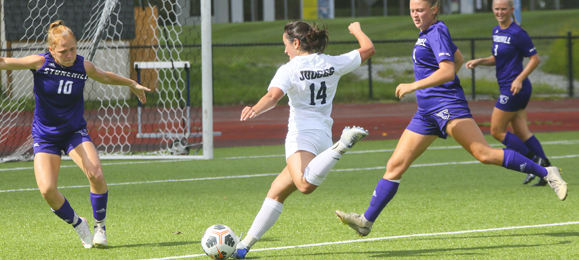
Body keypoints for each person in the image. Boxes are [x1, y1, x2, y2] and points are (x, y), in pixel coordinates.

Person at [335, 0, 567, 238]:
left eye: (420, 10)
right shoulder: (429, 32)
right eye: (412, 10)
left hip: (447, 106)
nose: (415, 15)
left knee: (484, 154)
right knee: (395, 165)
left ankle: (547, 173)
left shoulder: (436, 31)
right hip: (426, 113)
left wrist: (415, 86)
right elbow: (458, 58)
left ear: (434, 9)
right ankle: (366, 221)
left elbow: (447, 70)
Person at [0, 20, 150, 248]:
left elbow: (105, 75)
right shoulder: (40, 63)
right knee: (47, 189)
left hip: (73, 132)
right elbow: (2, 62)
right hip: (45, 135)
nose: (69, 55)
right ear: (51, 51)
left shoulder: (82, 66)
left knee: (96, 173)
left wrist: (132, 84)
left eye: (73, 49)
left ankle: (100, 227)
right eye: (63, 51)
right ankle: (79, 224)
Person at [233, 21, 375, 259]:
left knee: (304, 186)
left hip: (301, 136)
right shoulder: (331, 61)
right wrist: (357, 30)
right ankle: (243, 246)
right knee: (277, 190)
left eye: (285, 45)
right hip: (322, 136)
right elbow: (368, 49)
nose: (285, 50)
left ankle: (341, 146)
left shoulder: (290, 68)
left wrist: (254, 109)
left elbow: (273, 96)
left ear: (296, 43)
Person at [465, 0, 548, 186]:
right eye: (497, 9)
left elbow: (535, 59)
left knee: (496, 131)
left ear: (512, 10)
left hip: (515, 88)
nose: (500, 12)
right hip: (508, 87)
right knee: (521, 131)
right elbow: (498, 58)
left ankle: (536, 163)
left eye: (504, 9)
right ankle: (546, 171)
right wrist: (480, 61)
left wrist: (519, 78)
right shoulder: (497, 31)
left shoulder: (518, 33)